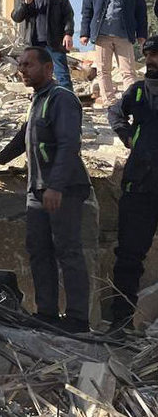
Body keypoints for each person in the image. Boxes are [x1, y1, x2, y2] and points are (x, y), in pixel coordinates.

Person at [0, 47, 90, 331]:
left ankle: (78, 319)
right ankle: (47, 313)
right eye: (20, 65)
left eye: (28, 64)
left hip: (63, 188)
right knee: (39, 250)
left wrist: (56, 186)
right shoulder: (38, 100)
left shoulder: (62, 99)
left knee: (68, 251)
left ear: (48, 68)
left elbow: (69, 144)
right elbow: (25, 135)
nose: (22, 70)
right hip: (38, 188)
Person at [106, 36, 158, 329]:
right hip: (138, 188)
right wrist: (126, 135)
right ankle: (120, 324)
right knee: (128, 258)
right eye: (148, 54)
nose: (150, 59)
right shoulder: (137, 92)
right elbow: (114, 111)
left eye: (156, 55)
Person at [80, 0, 147, 107]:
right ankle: (109, 102)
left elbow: (140, 13)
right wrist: (85, 33)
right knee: (103, 71)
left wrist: (142, 35)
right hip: (102, 36)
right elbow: (87, 12)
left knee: (128, 71)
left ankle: (130, 103)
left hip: (124, 36)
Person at [10, 0, 75, 91]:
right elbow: (16, 17)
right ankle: (42, 99)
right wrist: (25, 4)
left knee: (62, 74)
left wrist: (68, 34)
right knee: (37, 74)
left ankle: (67, 101)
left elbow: (68, 17)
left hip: (54, 42)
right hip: (34, 44)